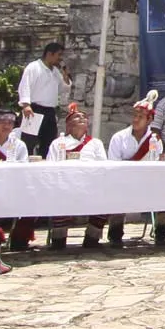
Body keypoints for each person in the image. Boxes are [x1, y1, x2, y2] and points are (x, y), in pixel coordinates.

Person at [43, 105, 109, 249]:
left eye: (84, 117)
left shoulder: (95, 143)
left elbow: (103, 166)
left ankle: (92, 238)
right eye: (77, 116)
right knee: (59, 201)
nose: (82, 119)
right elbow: (50, 166)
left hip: (90, 187)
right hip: (65, 187)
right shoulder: (58, 143)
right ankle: (58, 240)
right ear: (68, 124)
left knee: (106, 201)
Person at [109, 92, 165, 246]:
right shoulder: (119, 138)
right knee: (116, 194)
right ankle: (115, 234)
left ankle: (161, 233)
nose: (136, 119)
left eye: (141, 116)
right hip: (124, 183)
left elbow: (156, 165)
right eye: (134, 115)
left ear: (149, 119)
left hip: (149, 183)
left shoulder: (155, 140)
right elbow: (113, 166)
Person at [17, 43, 72, 157]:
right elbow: (25, 85)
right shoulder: (34, 67)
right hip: (34, 109)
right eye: (59, 55)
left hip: (50, 111)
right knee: (29, 141)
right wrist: (26, 105)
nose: (60, 58)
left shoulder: (55, 71)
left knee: (49, 141)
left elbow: (62, 88)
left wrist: (66, 76)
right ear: (49, 54)